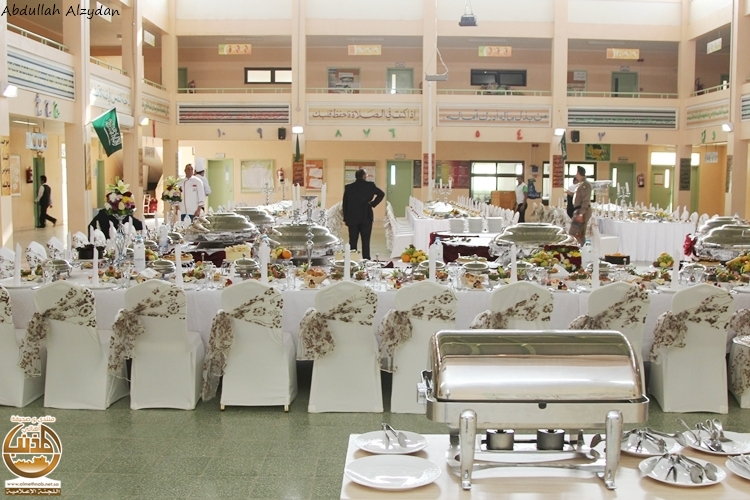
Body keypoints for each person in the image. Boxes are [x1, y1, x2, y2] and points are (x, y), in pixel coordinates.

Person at [342, 169, 384, 260]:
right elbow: (381, 194)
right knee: (366, 240)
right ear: (364, 176)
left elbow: (345, 204)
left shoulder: (349, 187)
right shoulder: (370, 186)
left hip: (352, 217)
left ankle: (352, 259)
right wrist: (373, 204)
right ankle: (366, 259)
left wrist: (345, 218)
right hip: (366, 216)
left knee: (353, 240)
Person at [569, 166, 592, 245]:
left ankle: (578, 248)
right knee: (578, 233)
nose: (576, 175)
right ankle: (580, 247)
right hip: (578, 210)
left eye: (577, 173)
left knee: (574, 232)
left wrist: (581, 214)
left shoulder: (585, 185)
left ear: (580, 174)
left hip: (582, 211)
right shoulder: (581, 184)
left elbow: (586, 200)